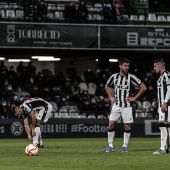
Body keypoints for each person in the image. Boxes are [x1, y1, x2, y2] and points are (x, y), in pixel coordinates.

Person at [103, 58, 147, 153]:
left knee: (127, 126)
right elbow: (106, 86)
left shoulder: (131, 77)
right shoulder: (114, 77)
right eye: (125, 65)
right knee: (111, 124)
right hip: (117, 105)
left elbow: (143, 87)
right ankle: (110, 146)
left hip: (126, 105)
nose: (127, 67)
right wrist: (111, 96)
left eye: (128, 66)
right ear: (120, 66)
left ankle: (124, 146)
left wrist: (134, 98)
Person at [153, 59, 170, 154]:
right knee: (166, 126)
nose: (154, 68)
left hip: (166, 105)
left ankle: (163, 148)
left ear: (160, 66)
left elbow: (169, 89)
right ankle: (167, 147)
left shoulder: (167, 75)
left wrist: (165, 102)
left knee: (162, 124)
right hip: (162, 105)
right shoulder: (160, 77)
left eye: (155, 66)